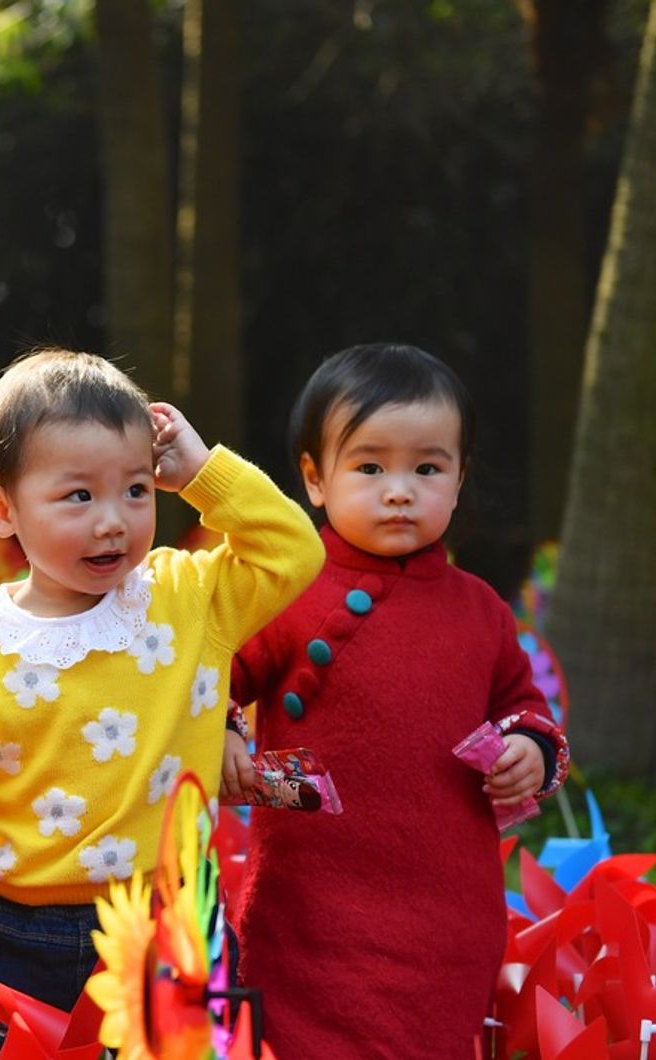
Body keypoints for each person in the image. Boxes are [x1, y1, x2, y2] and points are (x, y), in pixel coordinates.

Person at [0, 348, 324, 1060]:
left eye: (136, 490)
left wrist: (204, 474)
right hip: (15, 935)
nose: (113, 520)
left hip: (167, 922)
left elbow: (293, 551)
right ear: (2, 510)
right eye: (79, 496)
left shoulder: (187, 600)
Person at [221, 343, 570, 1060]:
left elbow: (525, 705)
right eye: (370, 466)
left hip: (446, 914)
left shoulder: (481, 612)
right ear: (316, 480)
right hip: (308, 908)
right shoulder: (285, 592)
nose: (400, 489)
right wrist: (223, 730)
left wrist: (529, 750)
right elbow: (212, 676)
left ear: (460, 477)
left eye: (428, 468)